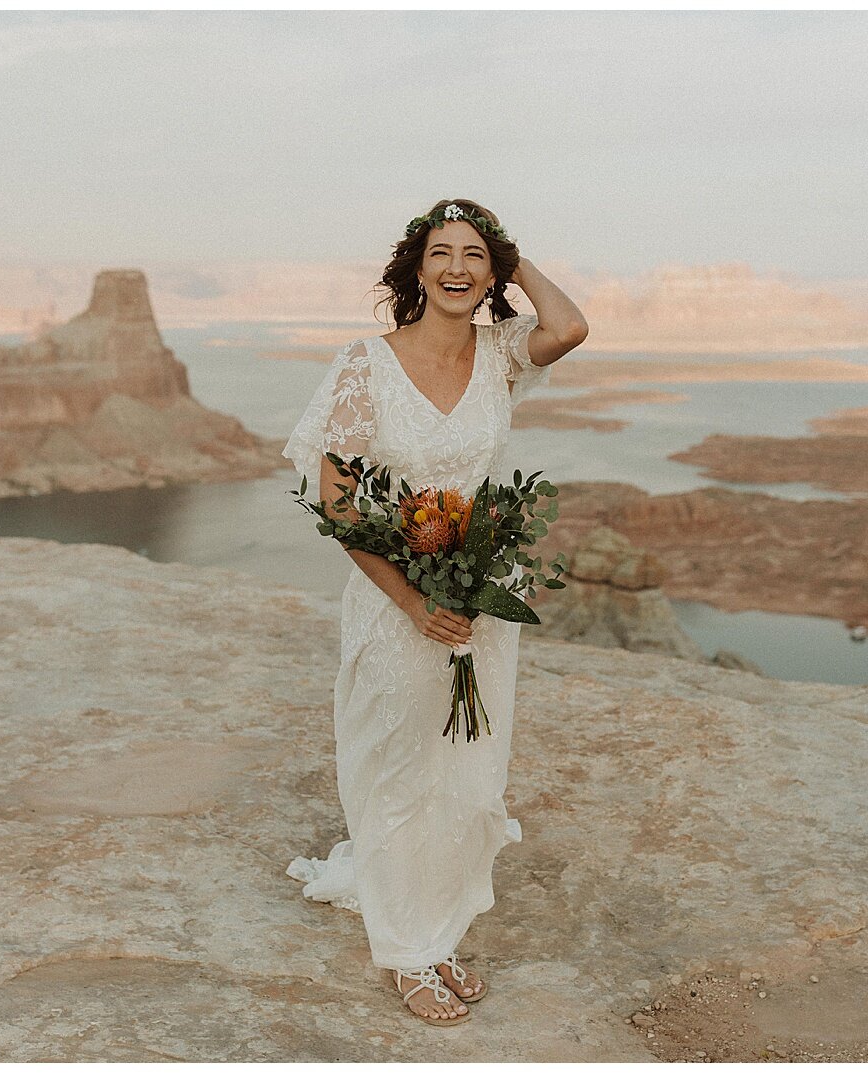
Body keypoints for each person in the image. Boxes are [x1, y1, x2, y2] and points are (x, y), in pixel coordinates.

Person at [281, 199, 588, 1026]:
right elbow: (342, 509)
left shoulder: (502, 354)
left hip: (481, 591)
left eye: (475, 256)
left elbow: (572, 325)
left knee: (464, 768)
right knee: (396, 767)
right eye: (441, 253)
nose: (457, 268)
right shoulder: (362, 367)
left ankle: (438, 926)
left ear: (493, 274)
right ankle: (407, 950)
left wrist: (514, 256)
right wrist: (415, 601)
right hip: (398, 603)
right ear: (414, 269)